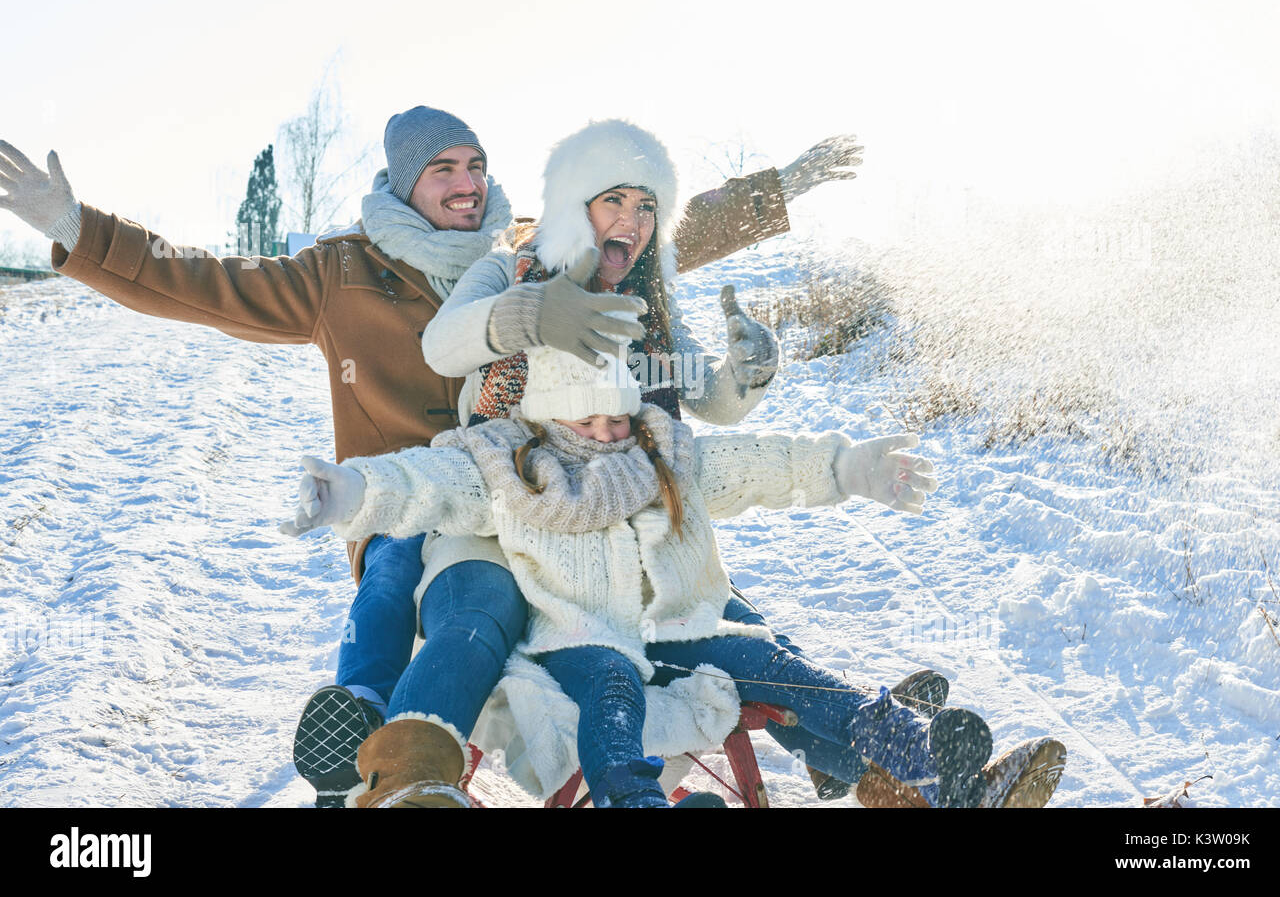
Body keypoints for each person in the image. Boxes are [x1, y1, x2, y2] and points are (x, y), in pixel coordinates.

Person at [0, 114, 870, 805]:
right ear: (404, 183)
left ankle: (855, 739)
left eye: (477, 165)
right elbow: (206, 280)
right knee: (415, 588)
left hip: (539, 492)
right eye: (444, 170)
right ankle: (369, 745)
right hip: (410, 498)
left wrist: (777, 189)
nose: (467, 183)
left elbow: (648, 224)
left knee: (695, 591)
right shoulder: (343, 273)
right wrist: (79, 232)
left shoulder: (526, 250)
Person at [284, 342, 1063, 808]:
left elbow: (758, 463)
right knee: (615, 695)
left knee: (779, 665)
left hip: (679, 626)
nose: (606, 434)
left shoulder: (662, 456)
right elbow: (424, 483)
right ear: (550, 416)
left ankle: (936, 769)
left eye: (616, 417)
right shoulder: (509, 469)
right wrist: (350, 492)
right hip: (580, 637)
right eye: (586, 421)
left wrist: (846, 467)